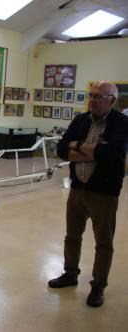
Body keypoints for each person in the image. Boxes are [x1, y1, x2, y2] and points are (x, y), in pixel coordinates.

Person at [48, 81, 128, 307]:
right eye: (90, 95)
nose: (92, 100)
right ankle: (70, 274)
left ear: (111, 100)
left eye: (98, 96)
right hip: (77, 188)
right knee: (72, 236)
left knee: (103, 242)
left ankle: (98, 286)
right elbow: (62, 149)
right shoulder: (81, 120)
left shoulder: (122, 123)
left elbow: (111, 152)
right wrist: (91, 149)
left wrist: (79, 146)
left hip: (104, 193)